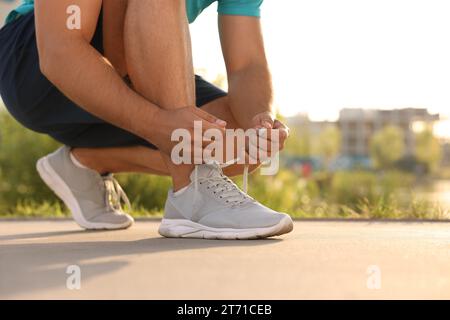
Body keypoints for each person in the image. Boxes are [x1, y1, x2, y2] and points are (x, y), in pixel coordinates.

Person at [0, 0, 293, 239]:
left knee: (237, 142)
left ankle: (86, 162)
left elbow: (247, 65)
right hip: (33, 67)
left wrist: (259, 123)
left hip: (123, 70)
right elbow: (58, 51)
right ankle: (191, 189)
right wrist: (158, 124)